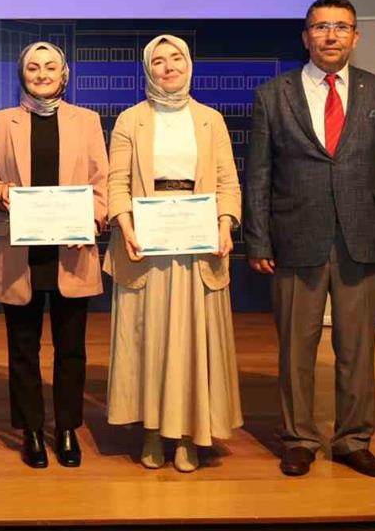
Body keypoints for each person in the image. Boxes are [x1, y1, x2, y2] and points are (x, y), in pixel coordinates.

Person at [244, 0, 375, 478]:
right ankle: (299, 437)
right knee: (296, 347)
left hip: (366, 237)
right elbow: (258, 173)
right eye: (321, 27)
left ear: (356, 37)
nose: (331, 35)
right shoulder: (273, 94)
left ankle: (353, 440)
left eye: (341, 27)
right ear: (306, 37)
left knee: (357, 347)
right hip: (295, 236)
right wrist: (258, 240)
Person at [104, 34, 243, 473]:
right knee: (148, 341)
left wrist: (226, 226)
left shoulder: (210, 119)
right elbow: (116, 183)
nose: (168, 67)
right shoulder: (130, 119)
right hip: (145, 245)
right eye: (159, 61)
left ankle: (188, 434)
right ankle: (150, 431)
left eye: (176, 58)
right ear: (148, 69)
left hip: (198, 245)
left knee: (191, 342)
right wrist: (125, 227)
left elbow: (227, 183)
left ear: (189, 64)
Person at [0, 41, 107, 469]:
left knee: (72, 349)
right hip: (21, 253)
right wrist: (3, 192)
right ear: (23, 74)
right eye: (34, 67)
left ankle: (67, 428)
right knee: (23, 349)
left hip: (71, 250)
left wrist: (92, 221)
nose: (43, 73)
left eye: (51, 67)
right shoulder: (1, 122)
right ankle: (31, 429)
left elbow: (101, 185)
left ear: (64, 75)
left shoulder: (87, 121)